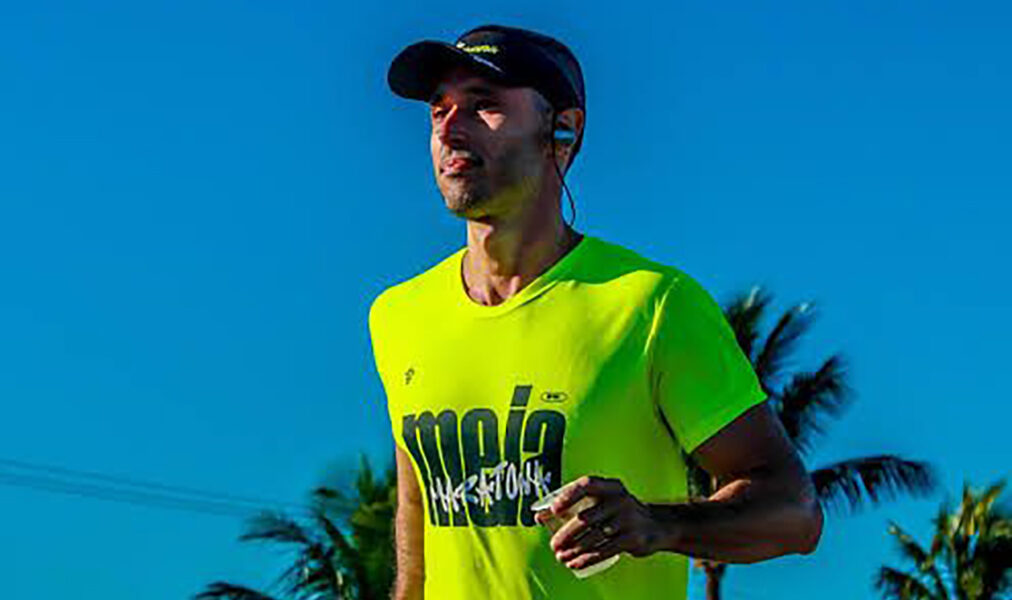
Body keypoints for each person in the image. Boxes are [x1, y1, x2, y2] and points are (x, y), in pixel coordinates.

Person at [368, 23, 823, 600]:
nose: (450, 128)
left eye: (483, 105)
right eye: (438, 109)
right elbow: (419, 513)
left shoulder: (651, 304)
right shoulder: (399, 315)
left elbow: (795, 509)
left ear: (563, 129)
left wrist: (661, 525)